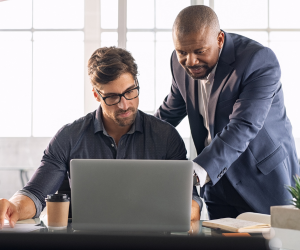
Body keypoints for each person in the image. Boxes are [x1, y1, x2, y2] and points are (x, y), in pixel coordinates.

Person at [0, 47, 201, 229]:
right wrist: (13, 206)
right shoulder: (69, 137)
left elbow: (191, 202)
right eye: (112, 97)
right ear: (97, 95)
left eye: (130, 92)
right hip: (85, 241)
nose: (124, 105)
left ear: (136, 84)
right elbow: (35, 193)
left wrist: (188, 208)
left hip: (149, 241)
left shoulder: (166, 137)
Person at [155, 5, 299, 219]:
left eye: (199, 51)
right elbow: (167, 115)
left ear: (220, 40)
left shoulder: (258, 60)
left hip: (263, 180)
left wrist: (196, 172)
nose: (190, 61)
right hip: (216, 183)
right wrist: (132, 137)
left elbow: (243, 126)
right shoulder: (178, 65)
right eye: (182, 52)